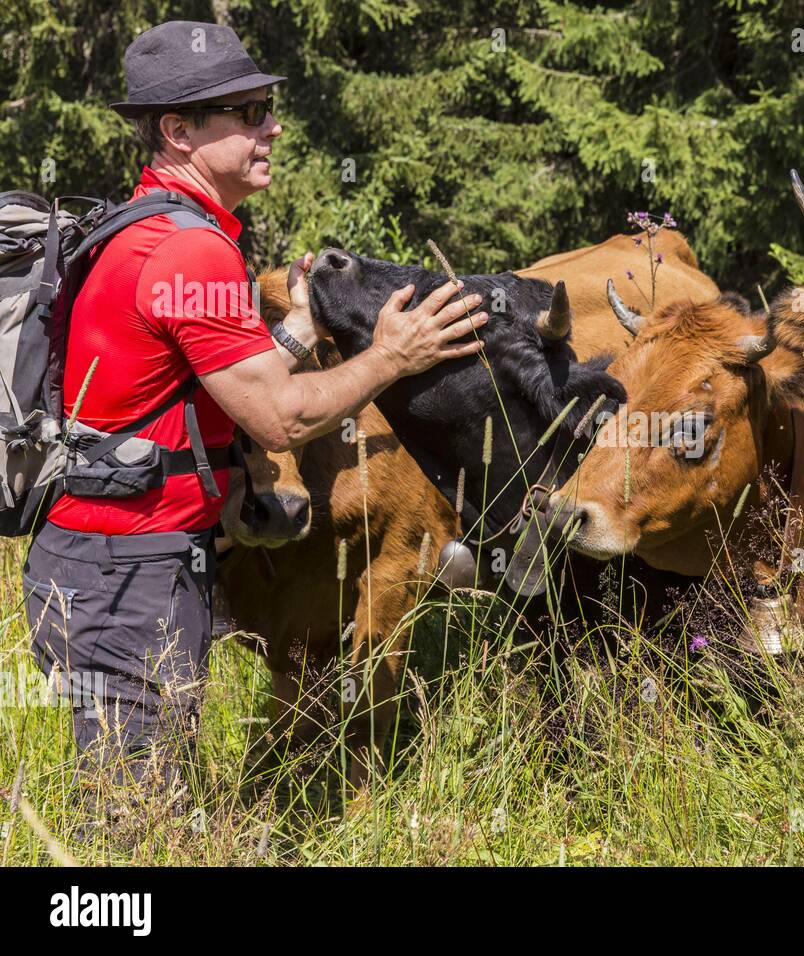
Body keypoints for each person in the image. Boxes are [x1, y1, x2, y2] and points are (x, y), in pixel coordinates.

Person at [22, 20, 487, 793]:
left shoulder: (140, 229)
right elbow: (282, 420)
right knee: (137, 814)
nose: (270, 125)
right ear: (179, 131)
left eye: (266, 105)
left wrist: (299, 324)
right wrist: (395, 355)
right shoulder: (191, 250)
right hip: (128, 573)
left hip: (102, 561)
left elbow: (216, 377)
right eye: (245, 112)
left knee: (138, 788)